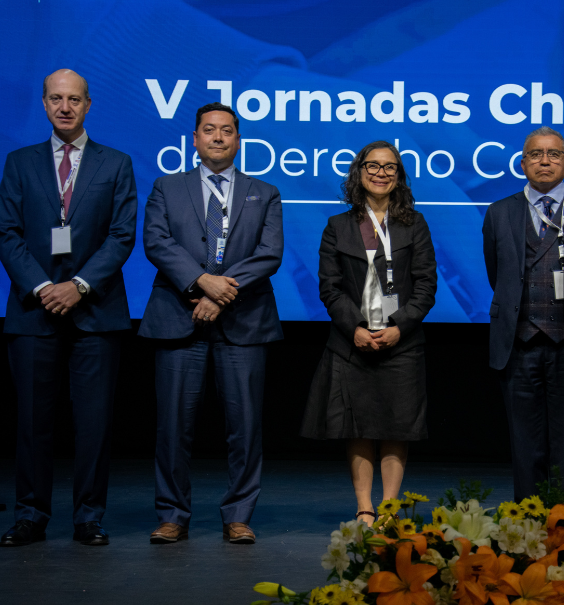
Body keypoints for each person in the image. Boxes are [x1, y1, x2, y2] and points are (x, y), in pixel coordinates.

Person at [0, 69, 138, 546]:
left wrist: (79, 285)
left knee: (94, 425)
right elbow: (7, 233)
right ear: (43, 103)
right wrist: (43, 287)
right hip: (32, 311)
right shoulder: (18, 162)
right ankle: (30, 515)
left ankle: (88, 518)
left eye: (74, 99)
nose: (65, 107)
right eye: (56, 99)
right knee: (32, 423)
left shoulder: (116, 163)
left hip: (96, 313)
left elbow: (121, 236)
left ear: (88, 105)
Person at [139, 102, 283, 544]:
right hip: (178, 318)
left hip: (244, 322)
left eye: (226, 131)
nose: (217, 137)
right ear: (195, 139)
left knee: (245, 427)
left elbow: (269, 254)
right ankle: (172, 515)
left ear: (238, 140)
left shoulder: (265, 192)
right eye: (209, 130)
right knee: (172, 427)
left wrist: (220, 295)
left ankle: (238, 515)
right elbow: (156, 242)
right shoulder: (167, 186)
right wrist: (202, 282)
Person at [300, 141, 437, 525]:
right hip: (351, 344)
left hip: (401, 344)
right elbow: (330, 287)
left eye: (389, 167)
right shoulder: (337, 226)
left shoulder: (415, 224)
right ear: (359, 172)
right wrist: (355, 328)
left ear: (399, 176)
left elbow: (426, 286)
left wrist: (399, 327)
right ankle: (364, 507)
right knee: (356, 427)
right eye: (373, 166)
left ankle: (389, 509)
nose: (381, 173)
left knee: (397, 427)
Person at [482, 127, 564, 502]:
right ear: (522, 163)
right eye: (536, 154)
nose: (544, 160)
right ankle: (527, 521)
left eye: (554, 154)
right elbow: (497, 274)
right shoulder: (499, 212)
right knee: (524, 442)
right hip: (518, 342)